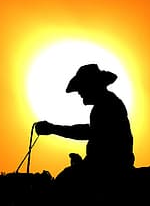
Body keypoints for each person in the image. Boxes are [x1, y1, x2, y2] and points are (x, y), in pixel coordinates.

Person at [34, 63, 135, 191]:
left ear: (91, 86)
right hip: (108, 164)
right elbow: (94, 132)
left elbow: (91, 132)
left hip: (110, 168)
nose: (80, 93)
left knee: (63, 183)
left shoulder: (107, 104)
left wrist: (53, 129)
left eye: (81, 88)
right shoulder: (107, 103)